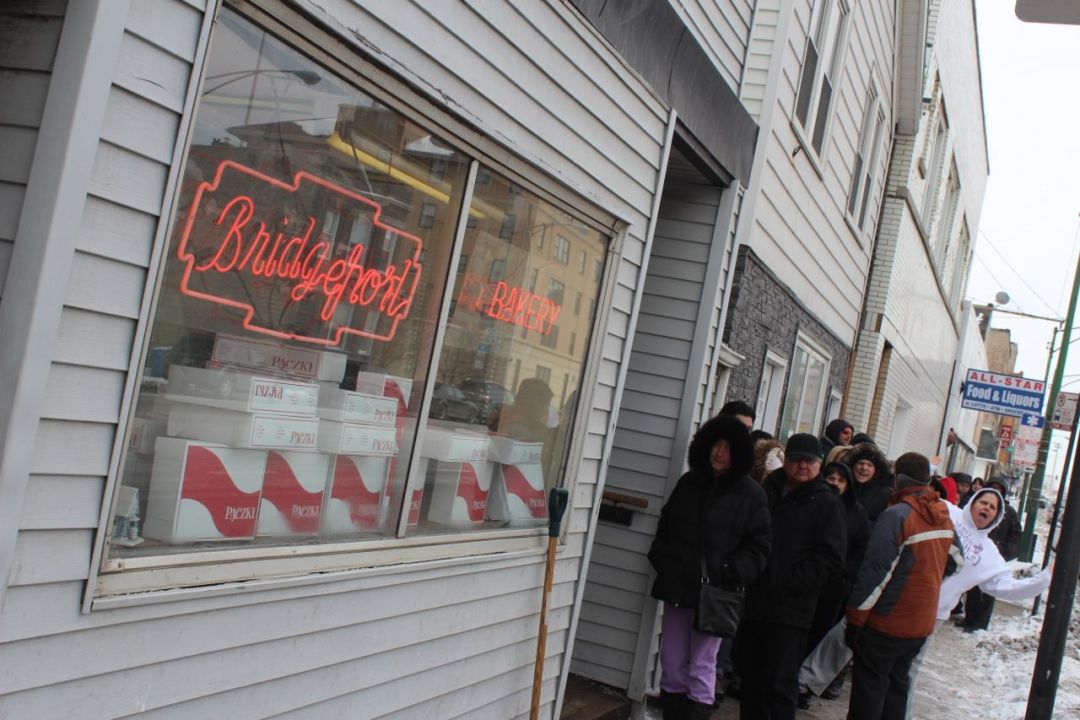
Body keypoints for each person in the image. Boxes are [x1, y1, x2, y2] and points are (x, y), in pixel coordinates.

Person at [649, 415, 772, 720]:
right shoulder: (689, 483)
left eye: (727, 448)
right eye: (715, 445)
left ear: (738, 453)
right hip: (678, 586)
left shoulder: (751, 494)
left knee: (703, 664)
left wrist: (730, 570)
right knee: (672, 660)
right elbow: (666, 525)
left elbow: (760, 547)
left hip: (716, 593)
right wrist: (663, 560)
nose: (719, 453)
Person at [734, 434, 846, 720]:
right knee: (751, 680)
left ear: (819, 464)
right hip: (755, 602)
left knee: (780, 684)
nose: (802, 466)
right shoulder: (767, 491)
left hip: (792, 610)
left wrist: (790, 581)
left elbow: (830, 559)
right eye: (796, 460)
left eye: (809, 461)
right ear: (786, 461)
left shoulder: (826, 502)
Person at [844, 452, 961, 720]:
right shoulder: (943, 515)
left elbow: (875, 573)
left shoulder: (897, 515)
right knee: (897, 688)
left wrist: (856, 618)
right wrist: (927, 576)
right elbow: (957, 560)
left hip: (887, 621)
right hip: (920, 623)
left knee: (869, 690)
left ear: (900, 479)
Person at [798, 461, 870, 709]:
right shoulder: (810, 503)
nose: (835, 484)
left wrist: (845, 572)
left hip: (834, 587)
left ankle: (803, 686)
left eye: (841, 480)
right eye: (831, 478)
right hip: (805, 581)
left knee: (820, 634)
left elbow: (861, 548)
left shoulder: (857, 512)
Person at [957, 479, 1025, 632]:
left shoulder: (1009, 512)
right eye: (993, 488)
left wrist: (1004, 550)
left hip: (993, 557)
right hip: (976, 554)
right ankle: (969, 619)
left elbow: (1016, 535)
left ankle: (980, 623)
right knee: (973, 589)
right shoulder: (976, 508)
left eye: (999, 490)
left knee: (988, 593)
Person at [845, 442, 894, 525]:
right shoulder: (843, 486)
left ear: (875, 470)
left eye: (869, 465)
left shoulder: (885, 493)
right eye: (860, 463)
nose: (864, 468)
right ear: (852, 466)